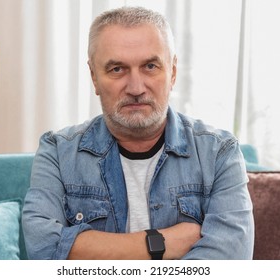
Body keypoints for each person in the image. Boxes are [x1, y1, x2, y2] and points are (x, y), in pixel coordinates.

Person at [22, 6, 254, 260]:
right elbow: (42, 251)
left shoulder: (219, 153)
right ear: (94, 77)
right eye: (117, 69)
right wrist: (160, 243)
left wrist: (84, 249)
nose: (135, 87)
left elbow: (229, 261)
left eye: (150, 66)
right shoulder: (57, 152)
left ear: (173, 72)